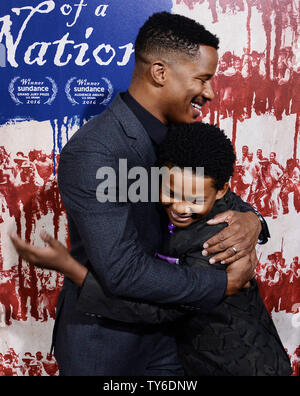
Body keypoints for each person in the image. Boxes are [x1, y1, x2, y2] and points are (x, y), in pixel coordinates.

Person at [10, 12, 269, 376]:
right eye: (202, 79)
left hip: (173, 336)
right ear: (160, 73)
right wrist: (221, 283)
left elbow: (215, 198)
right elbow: (123, 270)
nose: (210, 92)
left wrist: (252, 220)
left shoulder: (182, 136)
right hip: (107, 342)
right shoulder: (96, 150)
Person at [12, 123, 290, 376]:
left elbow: (164, 310)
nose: (180, 208)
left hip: (241, 367)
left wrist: (75, 271)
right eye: (171, 193)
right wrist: (254, 219)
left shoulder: (216, 242)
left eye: (193, 199)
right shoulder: (176, 179)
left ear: (220, 191)